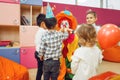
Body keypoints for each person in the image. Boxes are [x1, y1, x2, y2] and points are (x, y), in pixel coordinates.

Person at [34, 13, 46, 80]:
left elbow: (36, 42)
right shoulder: (43, 31)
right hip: (40, 54)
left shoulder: (39, 31)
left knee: (40, 70)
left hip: (37, 52)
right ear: (42, 24)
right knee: (41, 70)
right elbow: (39, 44)